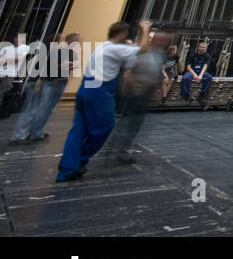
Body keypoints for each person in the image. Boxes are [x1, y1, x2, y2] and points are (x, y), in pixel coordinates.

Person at [56, 19, 151, 181]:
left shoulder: (103, 47)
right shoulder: (114, 49)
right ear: (122, 34)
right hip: (99, 90)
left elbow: (131, 56)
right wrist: (145, 29)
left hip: (87, 87)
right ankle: (81, 159)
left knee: (78, 130)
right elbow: (142, 49)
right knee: (104, 127)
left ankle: (67, 168)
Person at [106, 33, 169, 164]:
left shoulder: (160, 55)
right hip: (134, 93)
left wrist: (155, 89)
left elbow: (155, 73)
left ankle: (121, 150)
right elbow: (128, 72)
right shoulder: (140, 52)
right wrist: (131, 88)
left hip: (144, 94)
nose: (163, 42)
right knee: (126, 122)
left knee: (135, 125)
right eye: (161, 40)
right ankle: (113, 150)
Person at [10, 34, 79, 143]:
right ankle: (19, 136)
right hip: (39, 81)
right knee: (32, 109)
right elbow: (47, 67)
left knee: (35, 109)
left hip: (38, 81)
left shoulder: (46, 50)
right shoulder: (46, 50)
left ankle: (29, 134)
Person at [0, 33, 30, 119]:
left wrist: (5, 60)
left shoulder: (25, 48)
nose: (17, 40)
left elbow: (18, 59)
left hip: (10, 74)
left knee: (2, 91)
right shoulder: (6, 48)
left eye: (20, 38)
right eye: (16, 38)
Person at [180, 40, 213, 106]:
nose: (203, 49)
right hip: (191, 71)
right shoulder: (192, 55)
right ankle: (186, 96)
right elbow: (188, 67)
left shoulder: (207, 55)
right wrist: (194, 74)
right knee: (186, 78)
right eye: (202, 47)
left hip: (201, 71)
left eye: (205, 48)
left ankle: (201, 96)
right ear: (198, 47)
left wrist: (200, 75)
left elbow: (205, 66)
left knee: (209, 77)